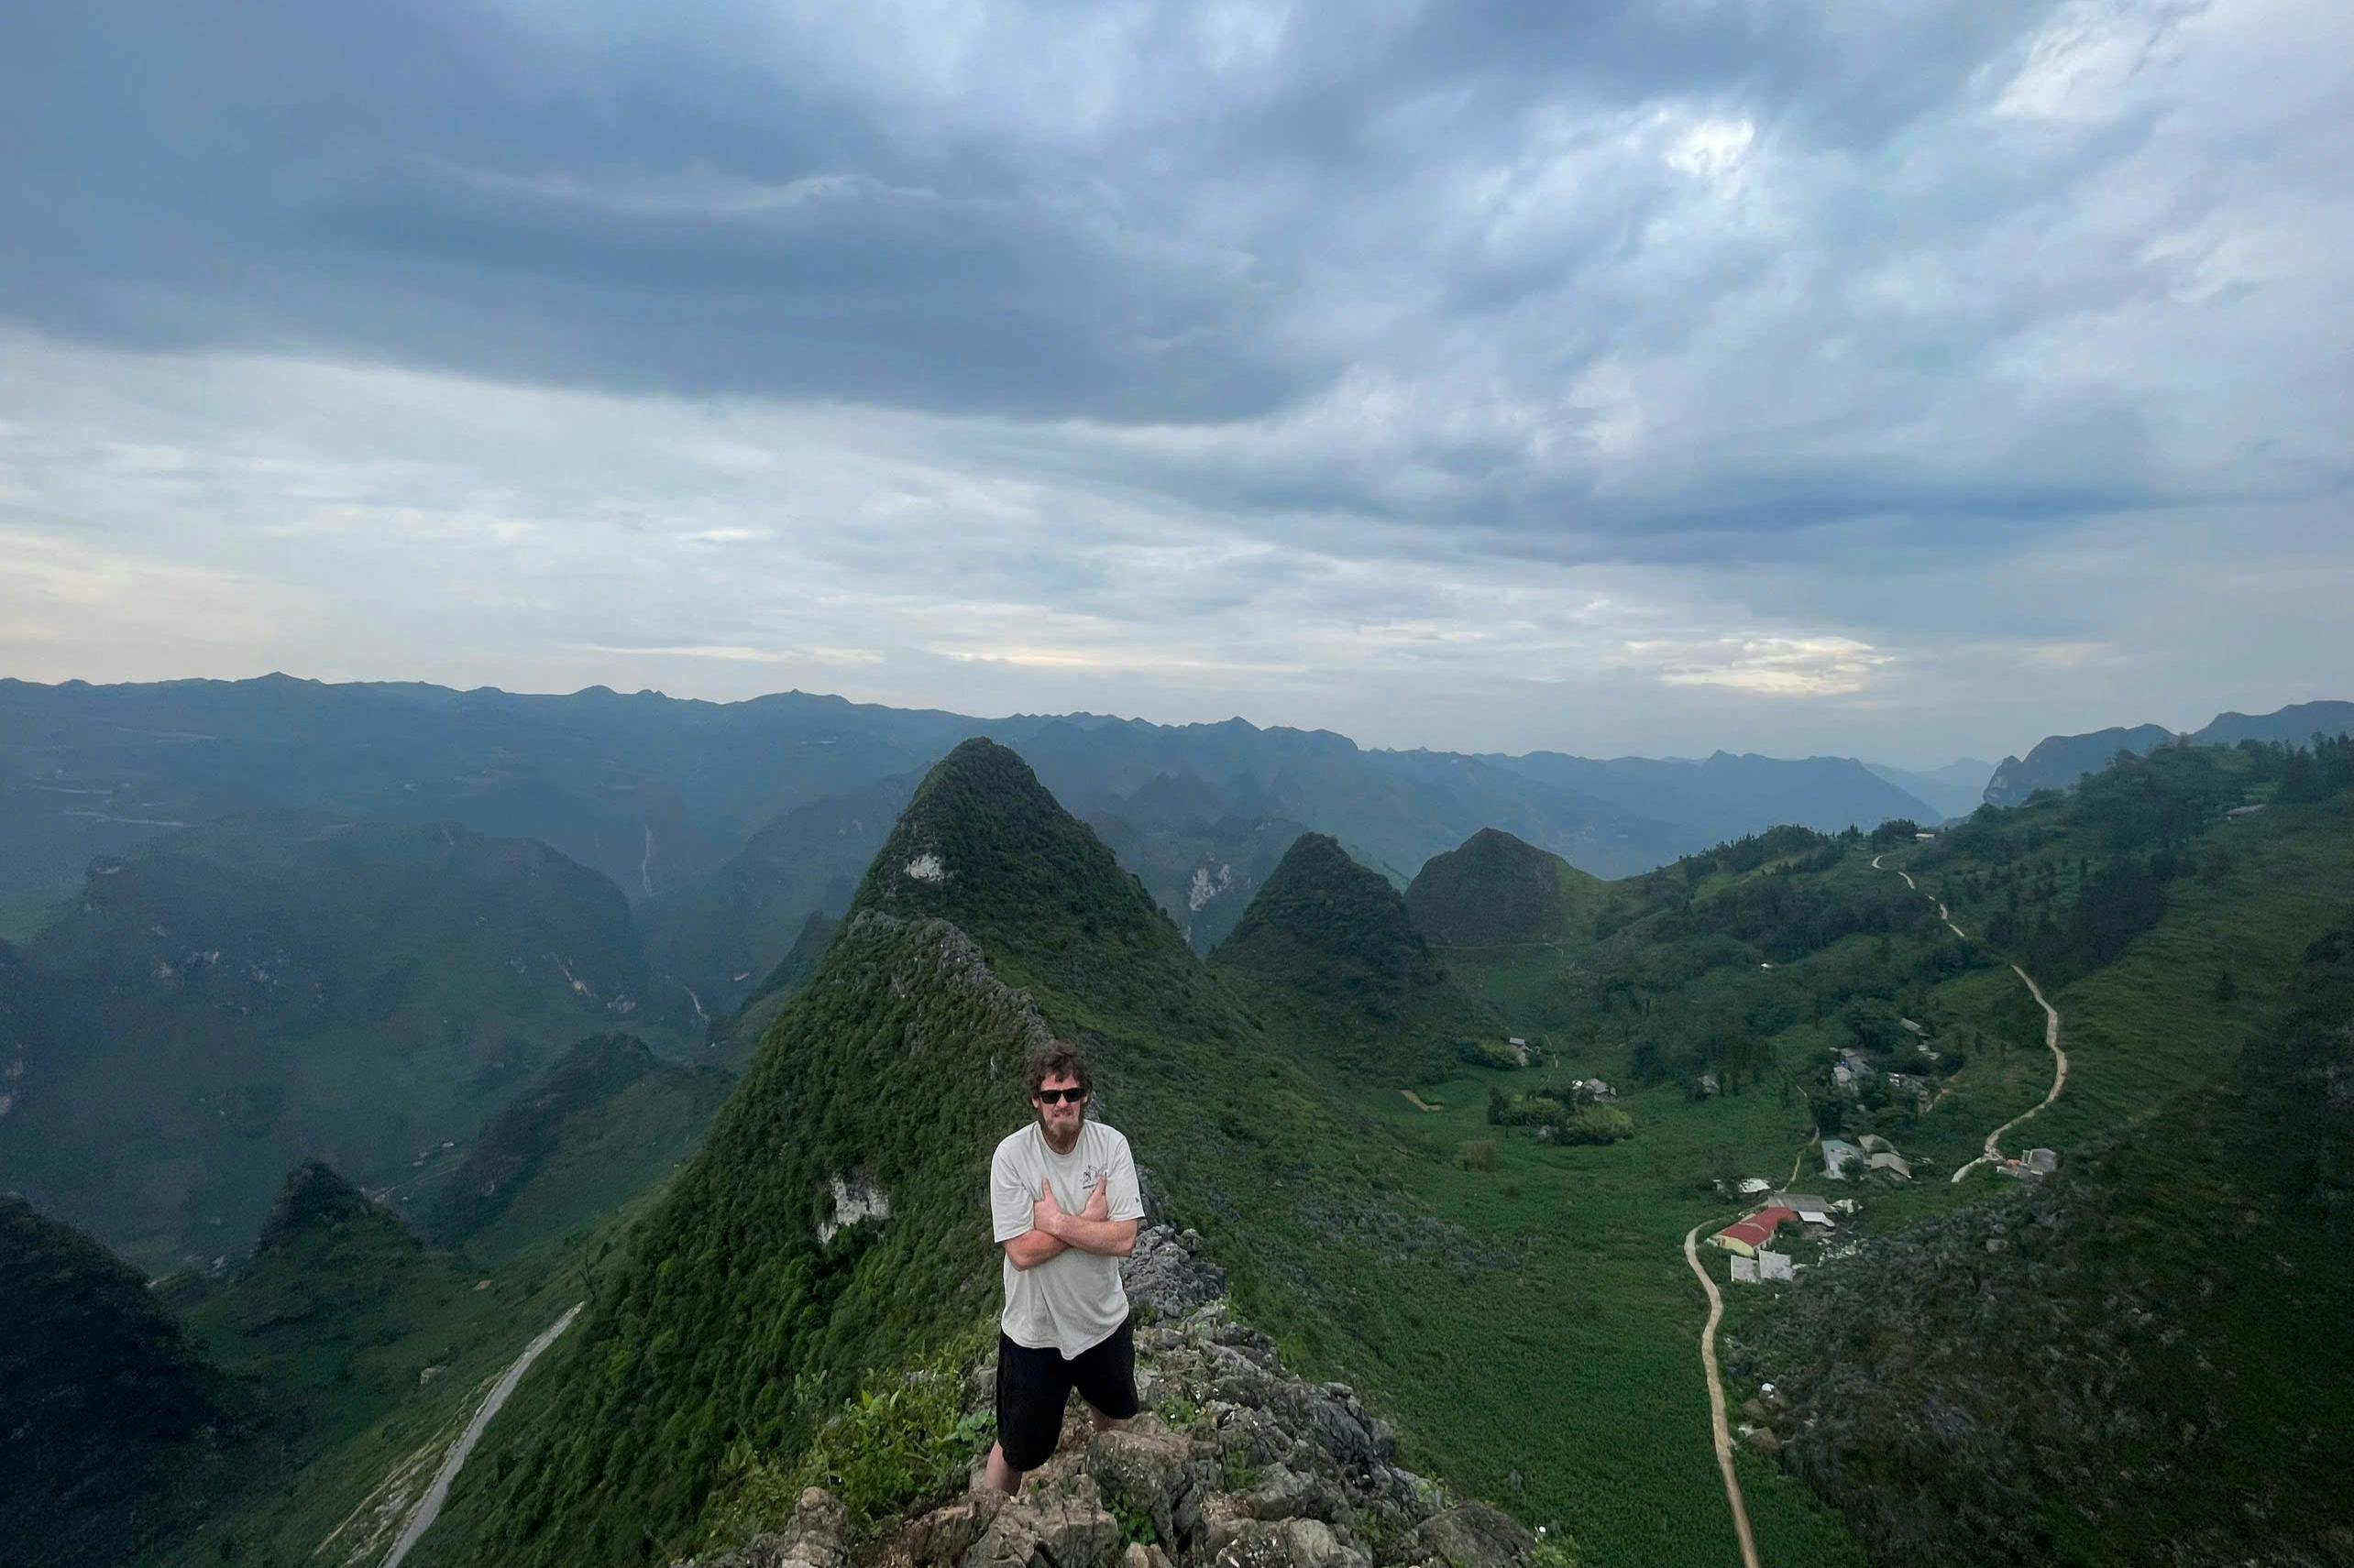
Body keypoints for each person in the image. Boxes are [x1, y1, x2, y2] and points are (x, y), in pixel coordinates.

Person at [981, 1043, 1144, 1493]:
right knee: (1015, 1448)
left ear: (1086, 1096)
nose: (1062, 1105)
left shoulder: (1111, 1146)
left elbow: (1125, 1239)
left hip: (1102, 1323)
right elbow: (1022, 1254)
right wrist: (1090, 1222)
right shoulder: (1012, 1157)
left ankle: (1118, 1503)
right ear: (1036, 1100)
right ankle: (985, 1528)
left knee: (1115, 1422)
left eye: (1071, 1094)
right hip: (1034, 1333)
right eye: (1051, 1096)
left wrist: (1053, 1222)